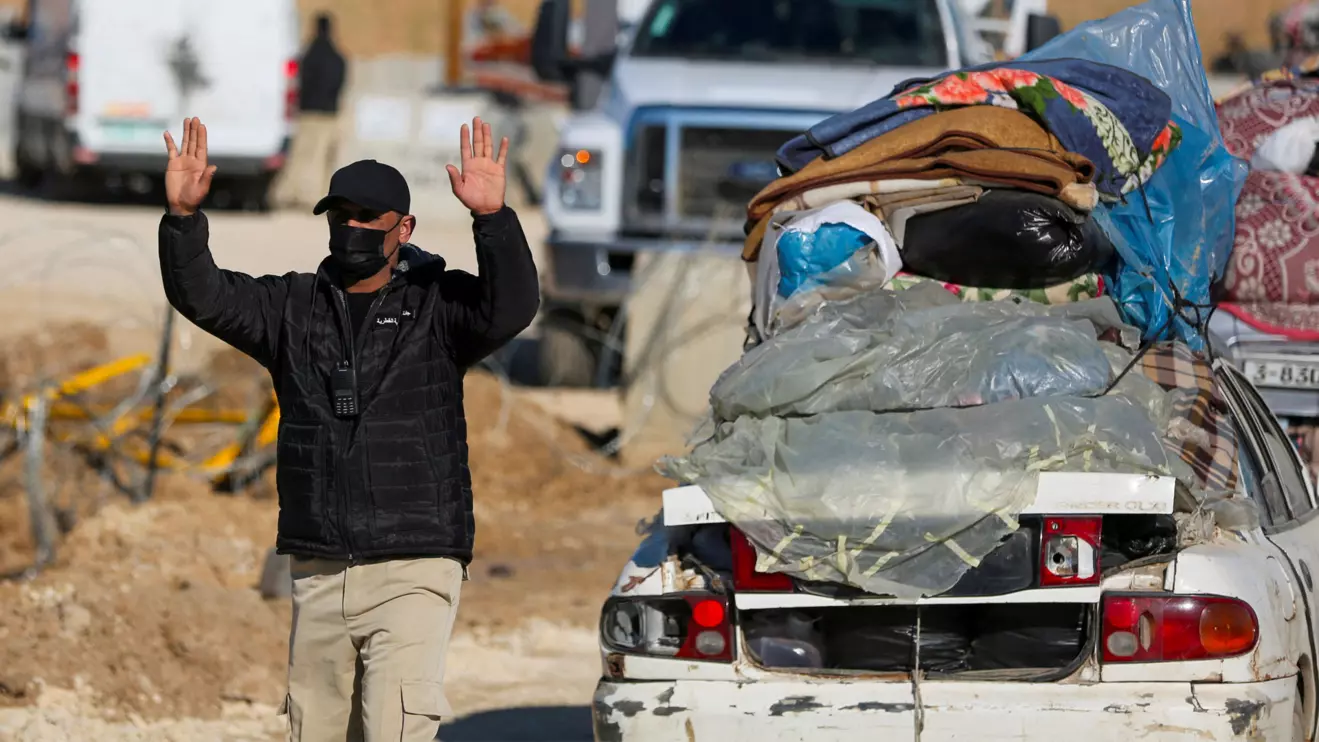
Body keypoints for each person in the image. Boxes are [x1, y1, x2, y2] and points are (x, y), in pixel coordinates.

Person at [157, 116, 539, 741]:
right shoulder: (290, 307)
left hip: (414, 563)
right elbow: (204, 295)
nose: (353, 230)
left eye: (369, 218)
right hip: (320, 570)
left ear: (403, 228)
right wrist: (182, 220)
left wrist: (492, 220)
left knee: (395, 729)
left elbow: (514, 305)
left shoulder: (441, 306)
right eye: (342, 217)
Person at [274, 13, 348, 210]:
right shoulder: (338, 58)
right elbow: (340, 86)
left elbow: (297, 83)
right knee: (323, 157)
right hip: (329, 115)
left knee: (300, 156)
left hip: (307, 113)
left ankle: (289, 195)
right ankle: (318, 197)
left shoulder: (306, 56)